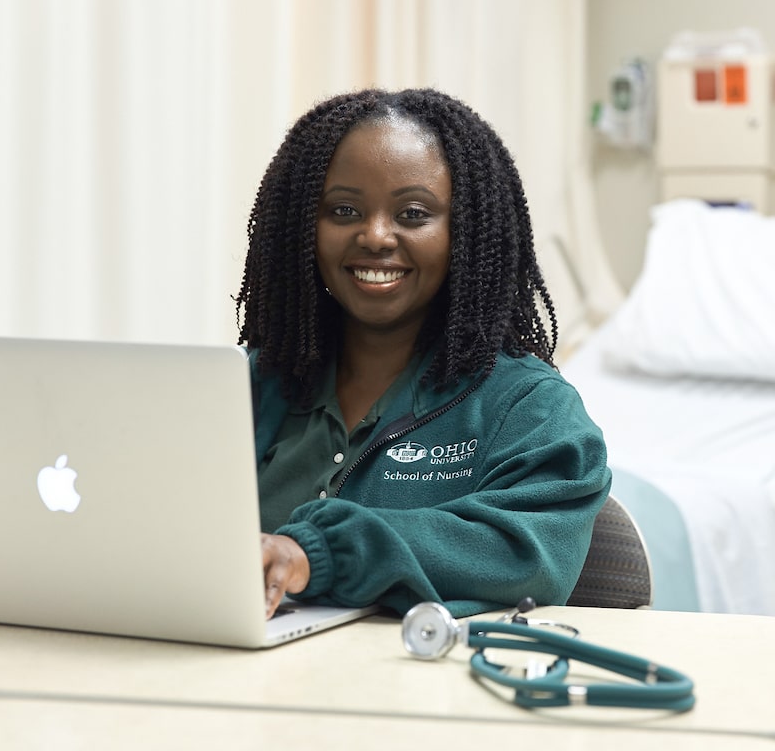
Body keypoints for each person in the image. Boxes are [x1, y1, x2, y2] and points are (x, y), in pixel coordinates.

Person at [234, 88, 611, 619]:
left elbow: (530, 555)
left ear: (467, 230)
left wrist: (316, 554)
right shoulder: (251, 386)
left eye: (413, 213)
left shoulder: (529, 408)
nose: (375, 236)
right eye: (343, 210)